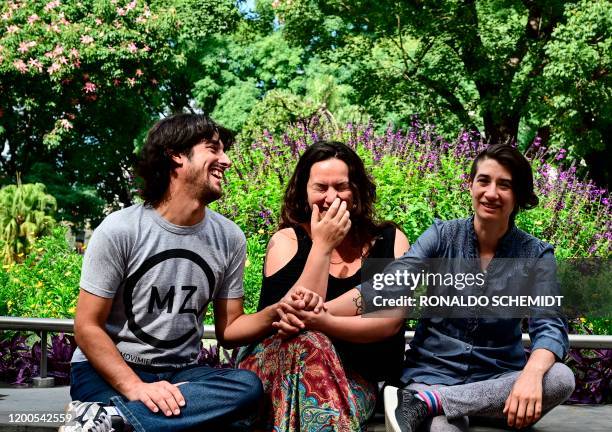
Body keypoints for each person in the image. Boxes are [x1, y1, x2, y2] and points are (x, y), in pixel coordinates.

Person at [62, 114, 320, 432]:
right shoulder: (121, 229)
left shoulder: (229, 237)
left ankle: (114, 419)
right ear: (176, 154)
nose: (225, 160)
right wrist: (136, 388)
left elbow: (230, 328)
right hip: (107, 371)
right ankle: (130, 412)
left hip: (180, 373)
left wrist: (274, 313)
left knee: (247, 386)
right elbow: (87, 327)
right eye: (213, 149)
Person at [380, 144, 575, 431]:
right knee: (443, 428)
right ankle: (432, 401)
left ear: (518, 195)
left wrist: (531, 375)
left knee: (560, 377)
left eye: (504, 185)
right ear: (470, 185)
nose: (491, 193)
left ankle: (428, 402)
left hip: (497, 382)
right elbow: (392, 282)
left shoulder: (535, 255)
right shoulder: (441, 236)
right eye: (483, 181)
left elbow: (550, 325)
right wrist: (320, 310)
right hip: (431, 373)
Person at [237, 141, 410, 431]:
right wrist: (322, 247)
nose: (332, 197)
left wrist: (325, 322)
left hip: (354, 382)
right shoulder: (286, 242)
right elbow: (295, 323)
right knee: (308, 343)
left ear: (356, 190)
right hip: (277, 371)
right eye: (321, 187)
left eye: (341, 186)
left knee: (314, 343)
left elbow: (389, 322)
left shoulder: (390, 241)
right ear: (304, 192)